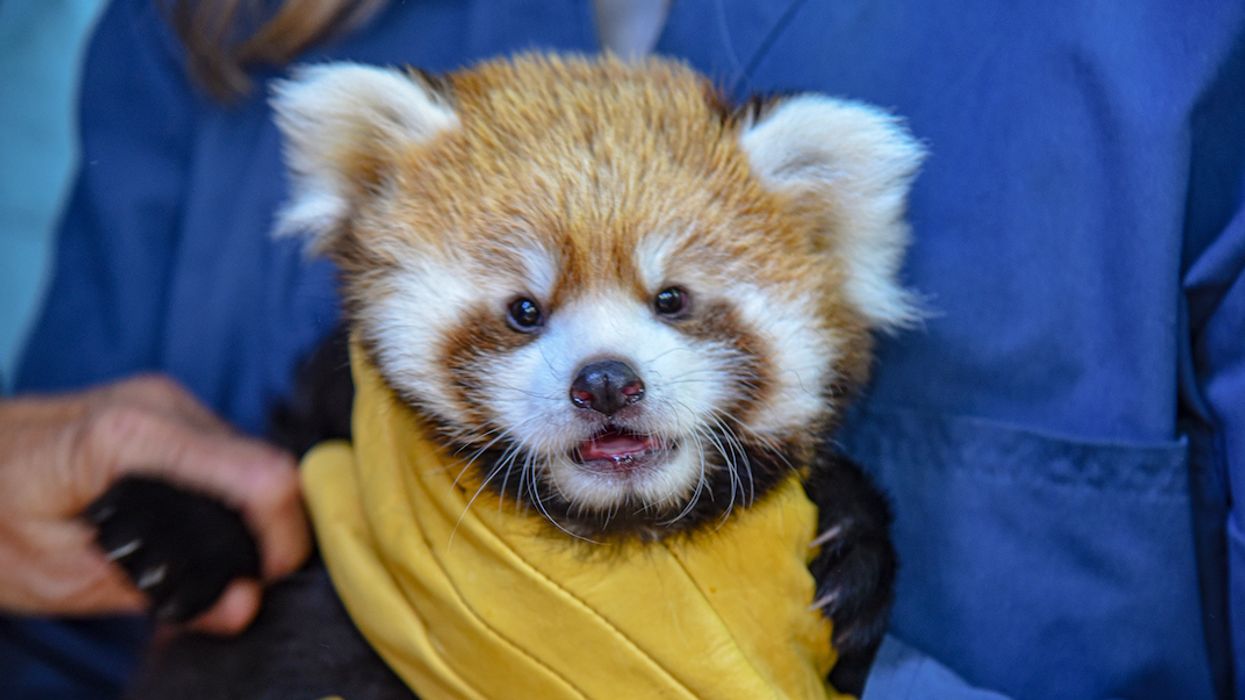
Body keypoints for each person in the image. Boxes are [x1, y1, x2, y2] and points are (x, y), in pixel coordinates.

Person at [5, 0, 1243, 698]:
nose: (604, 368)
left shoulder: (1177, 46)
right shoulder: (214, 25)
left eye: (677, 306)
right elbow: (54, 651)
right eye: (525, 314)